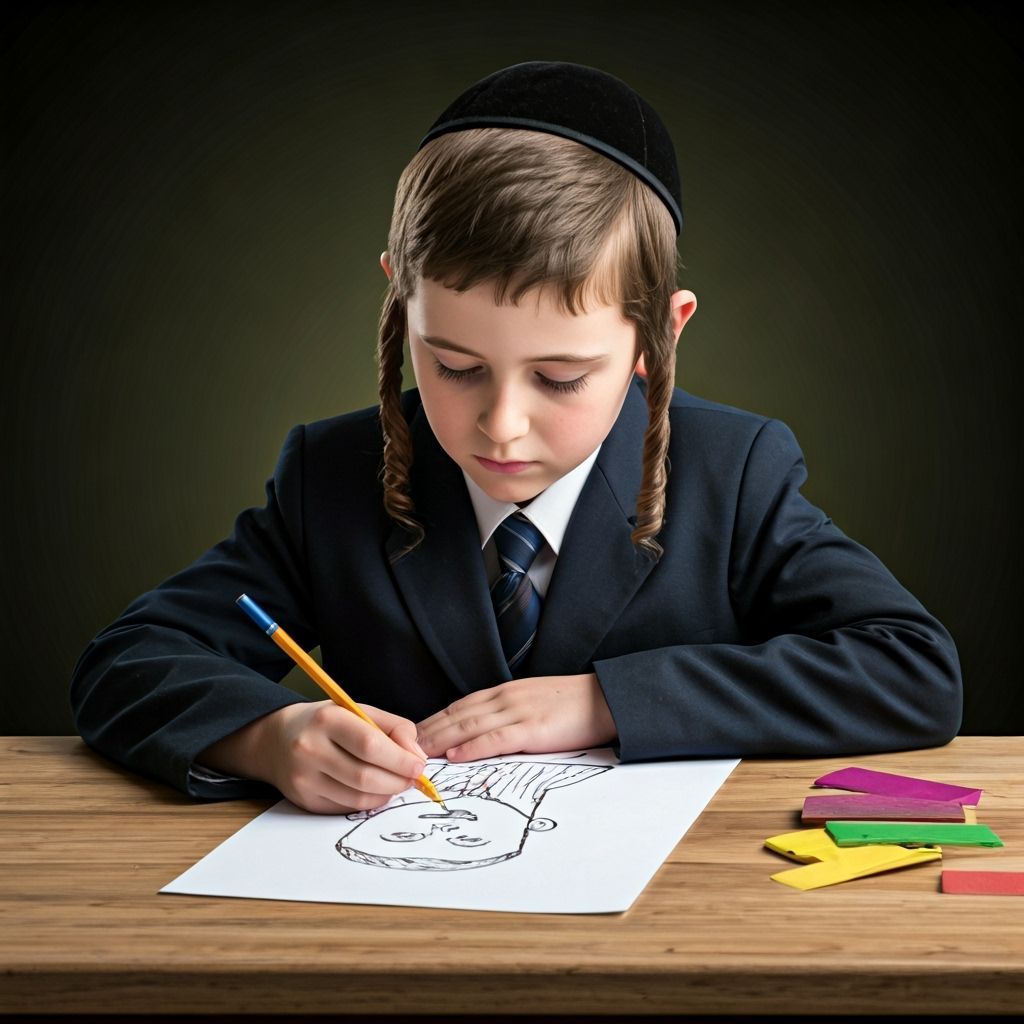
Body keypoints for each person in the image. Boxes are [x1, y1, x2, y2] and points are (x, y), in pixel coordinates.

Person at [70, 61, 962, 815]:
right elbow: (128, 660)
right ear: (399, 301)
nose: (500, 425)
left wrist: (609, 702)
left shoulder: (734, 473)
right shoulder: (330, 478)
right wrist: (267, 737)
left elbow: (912, 669)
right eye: (453, 366)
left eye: (561, 378)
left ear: (660, 337)